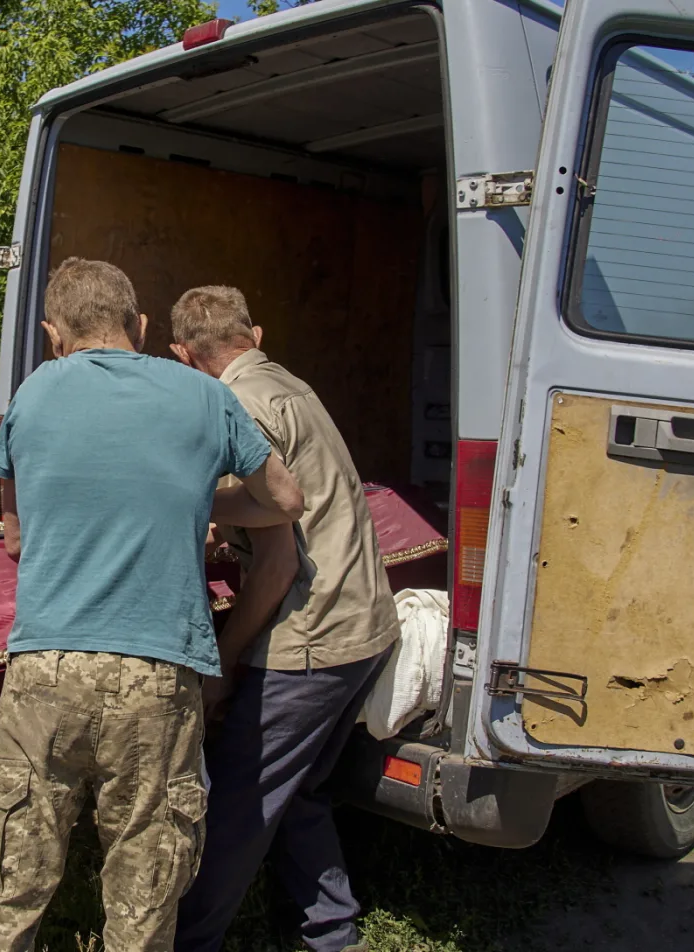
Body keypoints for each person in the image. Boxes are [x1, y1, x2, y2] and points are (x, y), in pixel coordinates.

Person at [0, 258, 305, 952]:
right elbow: (286, 498)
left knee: (8, 882)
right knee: (145, 886)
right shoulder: (201, 396)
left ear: (55, 333)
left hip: (46, 666)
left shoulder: (32, 393)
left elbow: (16, 540)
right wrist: (196, 500)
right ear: (140, 326)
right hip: (159, 671)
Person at [169, 286, 400, 952]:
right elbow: (295, 506)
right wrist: (229, 526)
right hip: (363, 624)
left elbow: (276, 568)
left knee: (241, 802)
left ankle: (188, 939)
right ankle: (328, 930)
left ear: (185, 356)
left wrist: (224, 659)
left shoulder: (236, 403)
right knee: (298, 789)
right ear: (255, 335)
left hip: (312, 639)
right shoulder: (288, 384)